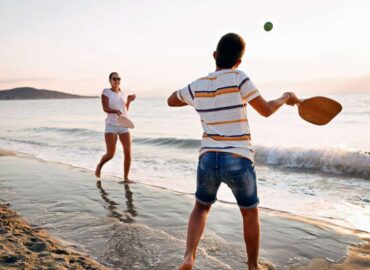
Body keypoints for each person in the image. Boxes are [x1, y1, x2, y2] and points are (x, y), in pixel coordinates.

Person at [167, 33, 299, 270]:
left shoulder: (198, 84)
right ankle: (252, 266)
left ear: (214, 55)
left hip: (208, 159)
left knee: (201, 207)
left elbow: (171, 101)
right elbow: (267, 110)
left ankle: (189, 257)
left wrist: (197, 99)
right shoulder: (239, 77)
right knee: (249, 214)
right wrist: (286, 97)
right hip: (238, 158)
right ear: (239, 62)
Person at [95, 72, 136, 182]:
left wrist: (129, 101)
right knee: (110, 154)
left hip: (123, 125)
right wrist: (114, 111)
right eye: (114, 79)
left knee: (128, 152)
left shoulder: (122, 93)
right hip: (111, 126)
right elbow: (105, 108)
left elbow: (124, 110)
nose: (117, 81)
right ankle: (99, 166)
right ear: (110, 80)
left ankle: (126, 178)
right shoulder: (106, 92)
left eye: (118, 79)